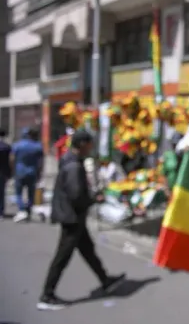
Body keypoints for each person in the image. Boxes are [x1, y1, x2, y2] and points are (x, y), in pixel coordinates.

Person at [38, 129, 125, 311]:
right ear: (83, 144)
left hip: (74, 216)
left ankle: (105, 279)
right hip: (72, 218)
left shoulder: (71, 160)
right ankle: (47, 295)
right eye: (90, 143)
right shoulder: (74, 166)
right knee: (62, 257)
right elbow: (76, 195)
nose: (92, 147)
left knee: (88, 250)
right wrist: (95, 198)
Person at [11, 126, 44, 223]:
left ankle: (22, 210)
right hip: (32, 172)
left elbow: (12, 159)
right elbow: (41, 162)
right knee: (31, 194)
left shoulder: (18, 145)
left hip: (20, 171)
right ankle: (28, 210)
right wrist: (40, 173)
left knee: (18, 193)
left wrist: (13, 170)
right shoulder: (38, 146)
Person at [0, 128, 11, 219]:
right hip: (2, 172)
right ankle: (1, 211)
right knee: (2, 192)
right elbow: (10, 161)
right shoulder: (7, 147)